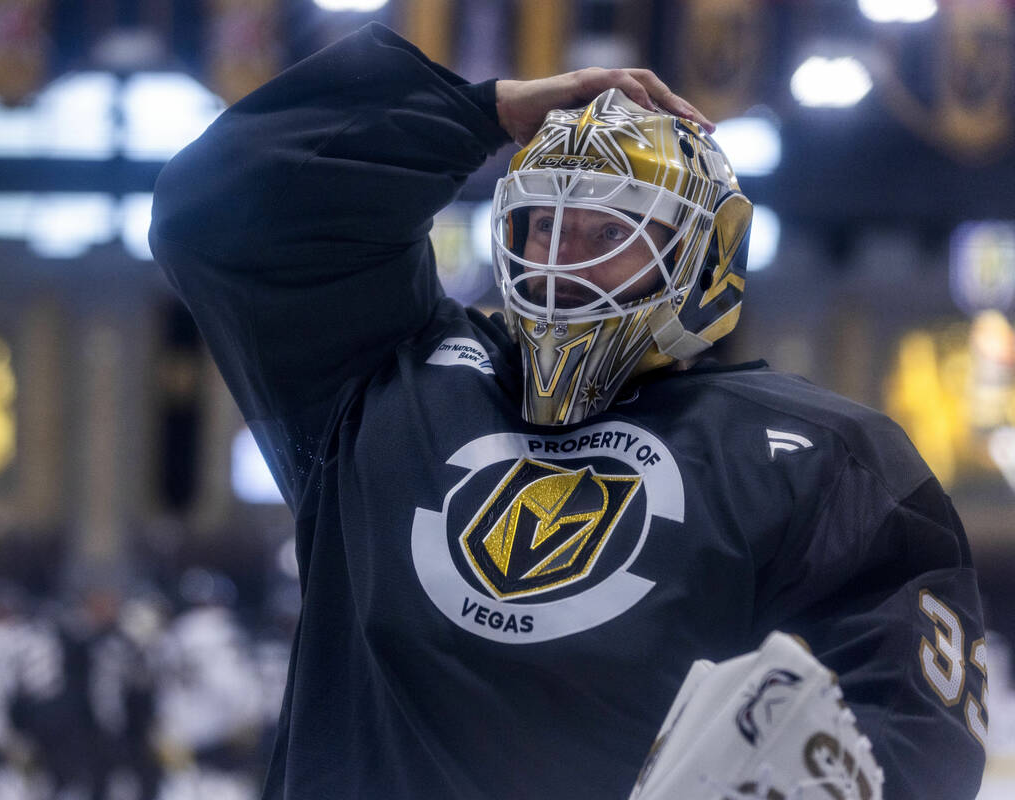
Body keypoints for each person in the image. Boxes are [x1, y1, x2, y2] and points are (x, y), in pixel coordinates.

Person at [150, 22, 987, 799]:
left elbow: (910, 735)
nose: (559, 263)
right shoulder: (385, 382)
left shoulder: (825, 459)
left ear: (703, 255)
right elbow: (217, 214)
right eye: (542, 225)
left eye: (604, 233)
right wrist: (478, 110)